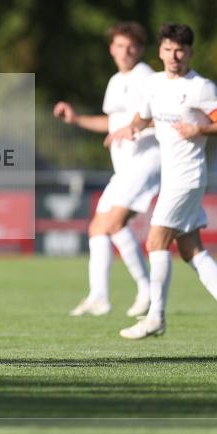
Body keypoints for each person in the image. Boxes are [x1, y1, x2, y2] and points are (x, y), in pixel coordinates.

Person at [108, 23, 217, 341]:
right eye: (168, 49)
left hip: (187, 177)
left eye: (180, 50)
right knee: (191, 250)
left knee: (155, 241)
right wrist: (127, 128)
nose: (174, 56)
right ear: (160, 51)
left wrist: (200, 129)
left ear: (190, 53)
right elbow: (143, 117)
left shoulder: (201, 87)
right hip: (171, 176)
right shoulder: (155, 84)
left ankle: (155, 318)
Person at [53, 22, 159, 318]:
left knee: (111, 224)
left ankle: (147, 291)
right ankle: (99, 297)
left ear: (140, 49)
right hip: (124, 167)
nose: (125, 51)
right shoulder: (115, 81)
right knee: (98, 228)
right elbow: (110, 124)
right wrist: (76, 119)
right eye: (120, 45)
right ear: (112, 48)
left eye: (131, 46)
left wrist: (131, 128)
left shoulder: (146, 77)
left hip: (146, 160)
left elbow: (159, 114)